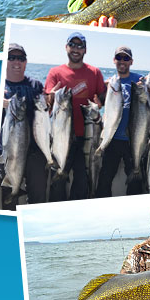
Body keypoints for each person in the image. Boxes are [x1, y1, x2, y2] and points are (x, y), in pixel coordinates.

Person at [44, 32, 106, 201]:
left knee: (82, 183)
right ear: (66, 47)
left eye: (80, 46)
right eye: (72, 45)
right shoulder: (55, 73)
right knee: (58, 183)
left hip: (85, 138)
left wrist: (102, 100)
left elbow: (102, 97)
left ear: (85, 50)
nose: (76, 49)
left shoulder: (95, 72)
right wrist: (51, 96)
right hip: (59, 138)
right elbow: (48, 101)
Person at [0, 43, 48, 210]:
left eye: (20, 58)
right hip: (8, 154)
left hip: (35, 152)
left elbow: (45, 109)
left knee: (38, 200)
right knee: (8, 202)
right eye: (11, 57)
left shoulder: (35, 85)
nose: (16, 62)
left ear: (26, 62)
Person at [95, 46, 143, 197]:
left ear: (131, 61)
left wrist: (147, 85)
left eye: (126, 58)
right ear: (114, 60)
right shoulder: (108, 84)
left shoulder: (139, 80)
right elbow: (99, 104)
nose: (122, 61)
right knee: (104, 180)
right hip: (112, 139)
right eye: (119, 58)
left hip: (133, 140)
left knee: (135, 183)